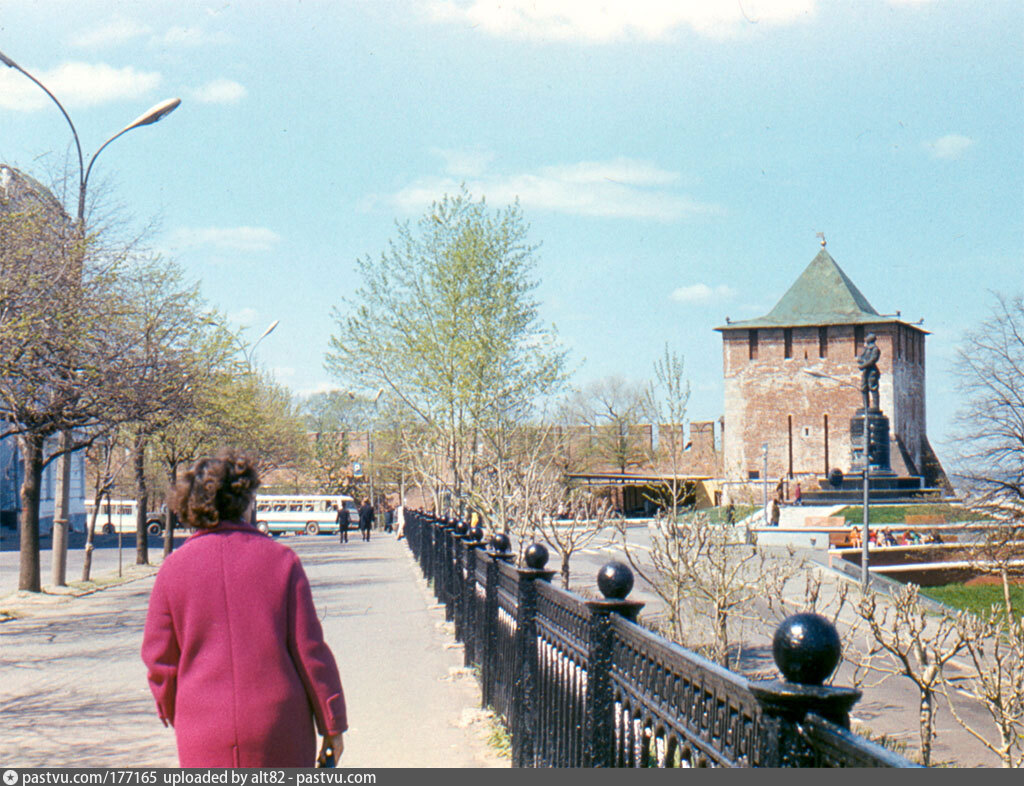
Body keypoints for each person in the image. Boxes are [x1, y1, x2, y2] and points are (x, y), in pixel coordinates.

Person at [141, 449, 347, 767]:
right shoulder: (281, 561)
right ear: (245, 501)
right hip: (279, 723)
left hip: (203, 726)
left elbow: (160, 660)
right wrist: (332, 723)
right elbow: (310, 652)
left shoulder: (173, 568)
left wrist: (174, 708)